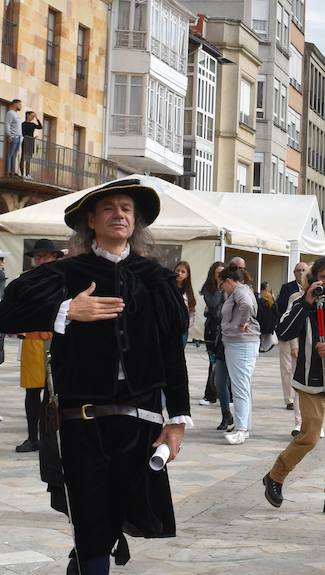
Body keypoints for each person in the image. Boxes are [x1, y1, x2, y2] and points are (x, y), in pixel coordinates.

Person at [0, 178, 190, 575]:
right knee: (88, 515)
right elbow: (9, 312)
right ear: (91, 220)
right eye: (109, 209)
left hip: (140, 422)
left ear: (135, 221)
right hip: (81, 420)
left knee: (123, 508)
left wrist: (177, 422)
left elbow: (173, 354)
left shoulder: (156, 279)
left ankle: (88, 559)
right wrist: (66, 311)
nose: (119, 214)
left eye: (126, 209)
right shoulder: (67, 273)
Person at [263, 256, 325, 518]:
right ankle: (276, 475)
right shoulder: (300, 302)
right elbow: (282, 331)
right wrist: (306, 303)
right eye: (324, 277)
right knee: (307, 438)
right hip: (311, 385)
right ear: (313, 278)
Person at [15, 239, 63, 453]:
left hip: (57, 339)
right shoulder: (25, 280)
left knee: (53, 392)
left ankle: (49, 437)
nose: (41, 259)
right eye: (38, 256)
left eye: (45, 255)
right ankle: (33, 438)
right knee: (33, 391)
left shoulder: (63, 280)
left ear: (54, 257)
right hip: (33, 340)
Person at [218, 265, 259, 444]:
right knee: (243, 384)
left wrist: (242, 322)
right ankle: (244, 426)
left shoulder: (239, 291)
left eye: (222, 286)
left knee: (240, 385)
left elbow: (247, 305)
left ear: (228, 281)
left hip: (240, 342)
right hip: (241, 342)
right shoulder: (243, 290)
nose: (222, 289)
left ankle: (241, 429)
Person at [278, 261, 309, 427]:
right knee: (287, 367)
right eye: (299, 270)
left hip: (303, 339)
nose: (301, 272)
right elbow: (282, 310)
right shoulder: (288, 289)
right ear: (294, 272)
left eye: (304, 270)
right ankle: (288, 398)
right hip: (288, 334)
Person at [198, 261, 226, 414]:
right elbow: (213, 304)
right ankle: (210, 395)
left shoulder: (230, 287)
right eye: (217, 274)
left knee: (226, 362)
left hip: (225, 330)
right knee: (213, 362)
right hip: (211, 330)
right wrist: (220, 289)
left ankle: (227, 395)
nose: (220, 277)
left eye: (223, 274)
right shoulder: (209, 289)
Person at [173, 261, 196, 346]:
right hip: (168, 327)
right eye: (177, 270)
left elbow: (192, 312)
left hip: (182, 328)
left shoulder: (188, 292)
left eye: (183, 272)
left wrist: (187, 325)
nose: (179, 273)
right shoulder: (168, 288)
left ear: (187, 275)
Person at [20, 110, 41, 177]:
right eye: (32, 116)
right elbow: (24, 134)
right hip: (26, 141)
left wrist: (37, 118)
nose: (33, 117)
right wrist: (31, 138)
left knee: (29, 158)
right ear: (27, 115)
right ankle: (22, 174)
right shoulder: (23, 124)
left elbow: (40, 127)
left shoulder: (32, 124)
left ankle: (27, 174)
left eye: (33, 116)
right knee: (23, 157)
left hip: (31, 142)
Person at [4, 99, 22, 175]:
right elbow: (7, 124)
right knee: (10, 154)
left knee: (14, 155)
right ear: (15, 104)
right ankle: (7, 172)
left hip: (18, 137)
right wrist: (9, 135)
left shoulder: (17, 114)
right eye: (19, 104)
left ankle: (12, 172)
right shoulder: (10, 113)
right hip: (13, 136)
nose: (21, 106)